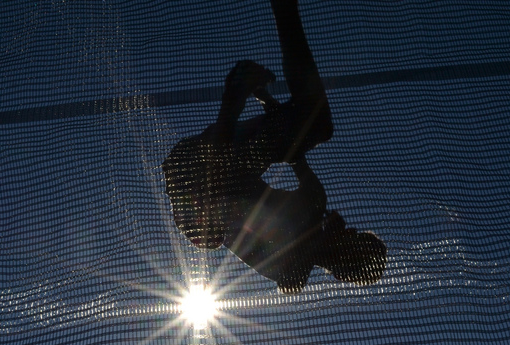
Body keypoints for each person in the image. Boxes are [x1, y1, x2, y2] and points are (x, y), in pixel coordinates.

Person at [162, 0, 386, 294]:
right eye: (359, 235)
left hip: (194, 188)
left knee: (209, 235)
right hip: (218, 160)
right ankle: (285, 10)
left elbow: (292, 278)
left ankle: (234, 99)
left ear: (345, 265)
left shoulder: (292, 269)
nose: (352, 231)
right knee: (318, 125)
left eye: (357, 241)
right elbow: (294, 149)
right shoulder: (314, 201)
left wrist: (313, 240)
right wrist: (266, 98)